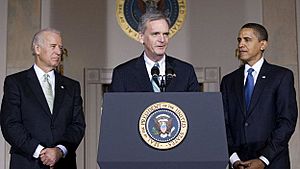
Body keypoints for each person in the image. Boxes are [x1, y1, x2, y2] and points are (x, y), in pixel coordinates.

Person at [0, 28, 86, 169]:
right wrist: (40, 152)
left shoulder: (72, 86)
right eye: (53, 46)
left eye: (60, 47)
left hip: (63, 164)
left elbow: (77, 126)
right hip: (27, 163)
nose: (58, 52)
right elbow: (10, 124)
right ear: (37, 49)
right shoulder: (16, 83)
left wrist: (59, 151)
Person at [220, 23, 298, 169]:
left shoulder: (281, 76)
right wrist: (234, 158)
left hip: (273, 162)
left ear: (263, 44)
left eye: (247, 39)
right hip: (239, 163)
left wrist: (263, 159)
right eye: (239, 40)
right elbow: (223, 123)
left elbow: (287, 121)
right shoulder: (228, 81)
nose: (241, 44)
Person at [109, 10, 200, 92]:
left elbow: (196, 107)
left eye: (165, 34)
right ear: (141, 37)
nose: (162, 39)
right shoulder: (123, 74)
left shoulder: (185, 71)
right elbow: (116, 109)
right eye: (155, 34)